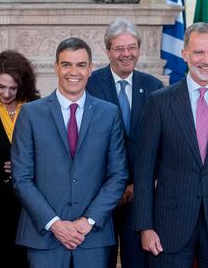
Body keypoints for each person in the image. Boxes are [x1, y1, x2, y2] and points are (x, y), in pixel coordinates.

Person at [133, 22, 208, 268]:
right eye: (198, 52)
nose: (206, 60)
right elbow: (144, 171)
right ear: (185, 54)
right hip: (169, 226)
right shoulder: (160, 102)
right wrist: (145, 226)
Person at [11, 37, 128, 268]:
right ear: (56, 67)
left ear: (90, 69)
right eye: (66, 64)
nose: (73, 71)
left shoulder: (109, 113)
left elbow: (118, 175)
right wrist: (55, 223)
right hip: (44, 236)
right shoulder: (31, 114)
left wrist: (88, 220)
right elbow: (21, 178)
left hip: (92, 237)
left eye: (81, 64)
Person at [86, 17, 163, 268]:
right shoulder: (90, 85)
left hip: (140, 197)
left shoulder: (154, 88)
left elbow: (160, 144)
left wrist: (136, 186)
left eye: (131, 47)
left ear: (139, 49)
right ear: (107, 50)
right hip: (98, 197)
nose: (126, 54)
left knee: (137, 261)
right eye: (119, 48)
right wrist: (113, 188)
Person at [0, 50, 40, 268]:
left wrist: (26, 165)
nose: (7, 93)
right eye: (1, 86)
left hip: (30, 205)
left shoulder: (37, 107)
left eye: (13, 88)